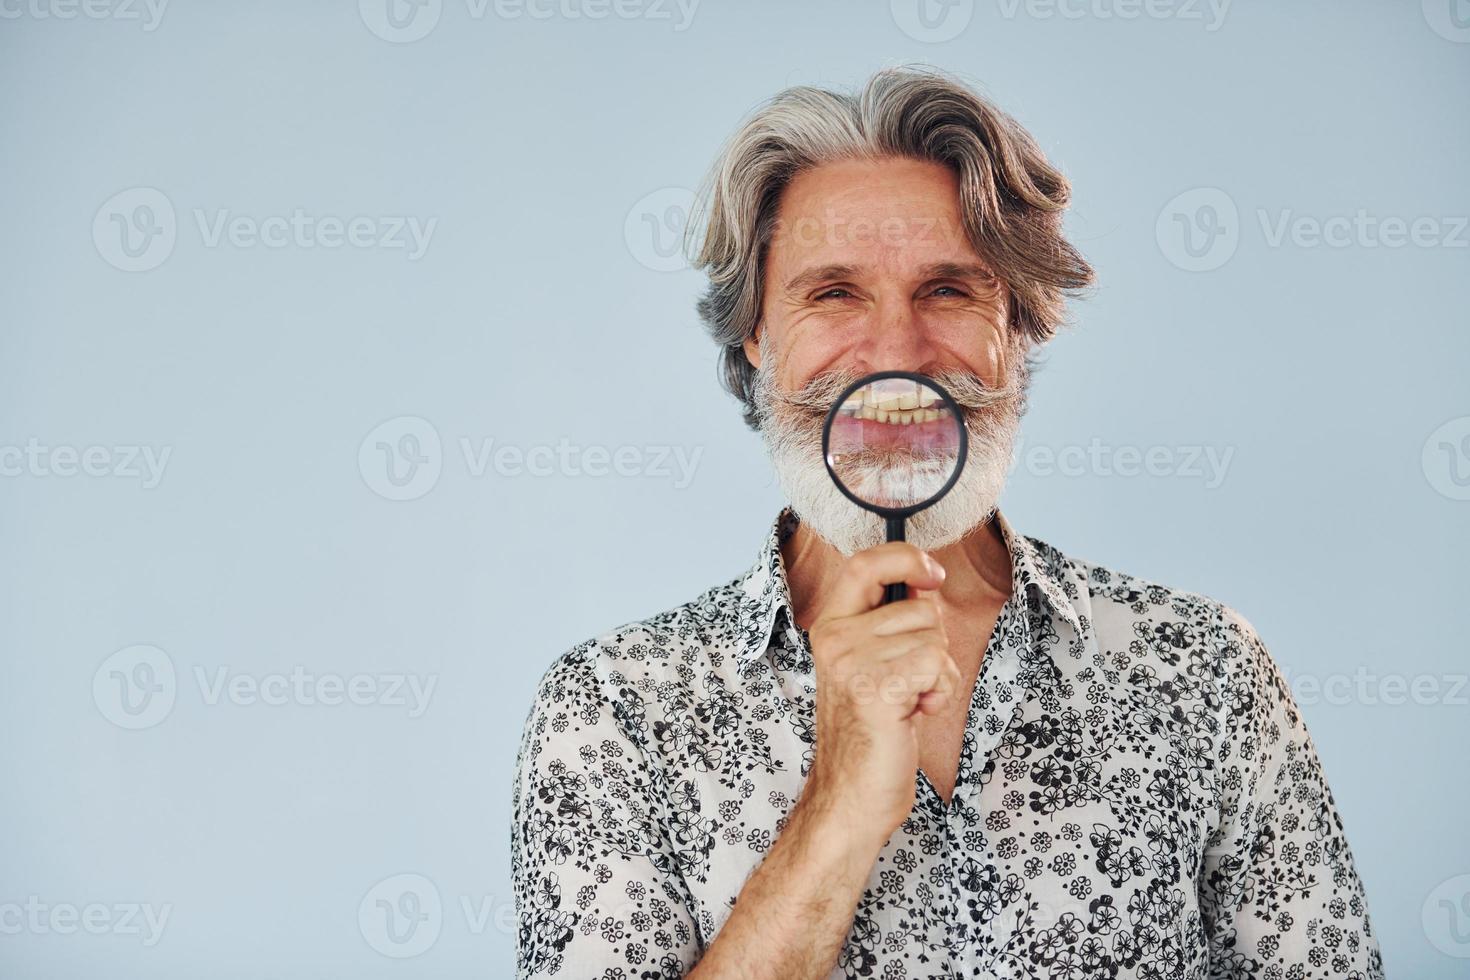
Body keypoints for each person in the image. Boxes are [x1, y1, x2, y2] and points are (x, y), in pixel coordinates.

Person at [511, 64, 1383, 979]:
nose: (896, 351)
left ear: (1020, 326)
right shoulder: (612, 711)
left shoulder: (1203, 671)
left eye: (949, 290)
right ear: (757, 338)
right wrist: (839, 806)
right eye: (833, 293)